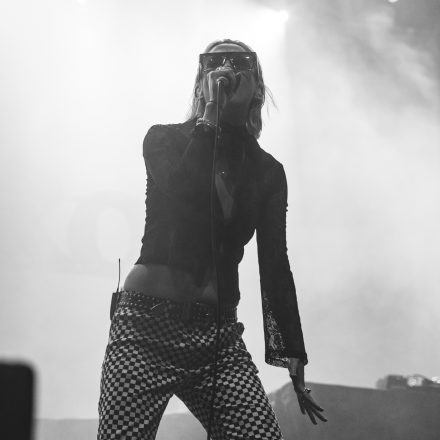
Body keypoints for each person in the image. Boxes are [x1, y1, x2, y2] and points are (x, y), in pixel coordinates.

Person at [97, 38, 326, 440]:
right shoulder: (164, 139)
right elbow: (183, 189)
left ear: (257, 87)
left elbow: (275, 262)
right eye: (214, 63)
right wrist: (209, 119)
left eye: (239, 63)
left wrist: (292, 351)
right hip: (145, 329)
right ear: (201, 83)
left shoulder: (267, 172)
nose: (227, 69)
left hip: (218, 339)